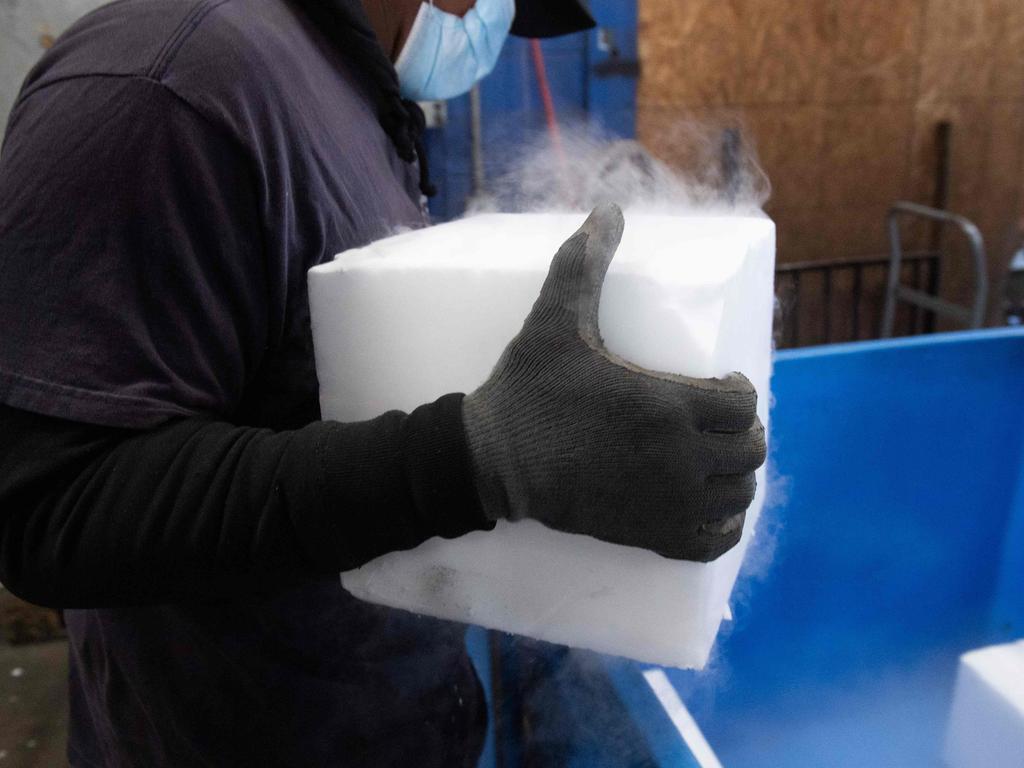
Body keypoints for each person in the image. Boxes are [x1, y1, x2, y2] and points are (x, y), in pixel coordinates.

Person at [0, 0, 766, 765]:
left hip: (388, 721)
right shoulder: (165, 83)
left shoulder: (343, 82)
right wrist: (480, 457)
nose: (495, 28)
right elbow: (50, 503)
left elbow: (312, 404)